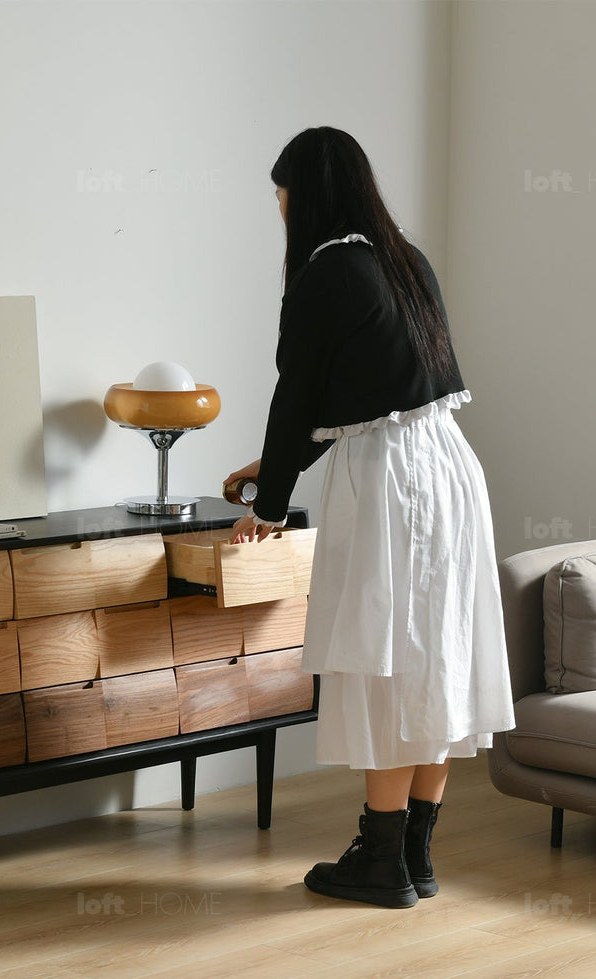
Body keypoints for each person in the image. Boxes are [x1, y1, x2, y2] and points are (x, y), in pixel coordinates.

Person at [225, 127, 515, 909]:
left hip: (392, 483)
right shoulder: (403, 259)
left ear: (305, 196)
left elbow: (298, 402)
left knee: (385, 655)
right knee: (436, 655)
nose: (279, 209)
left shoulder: (325, 273)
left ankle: (380, 858)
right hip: (448, 467)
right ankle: (414, 855)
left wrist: (271, 508)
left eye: (281, 194)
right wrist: (276, 472)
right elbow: (375, 396)